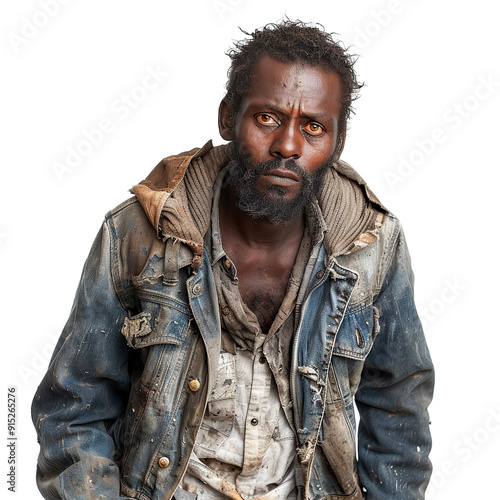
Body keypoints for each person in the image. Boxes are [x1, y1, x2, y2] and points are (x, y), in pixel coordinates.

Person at [32, 20, 434, 500]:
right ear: (227, 118)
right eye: (267, 118)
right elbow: (74, 409)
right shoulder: (140, 233)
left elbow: (399, 408)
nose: (288, 145)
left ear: (337, 142)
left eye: (313, 127)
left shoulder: (370, 245)